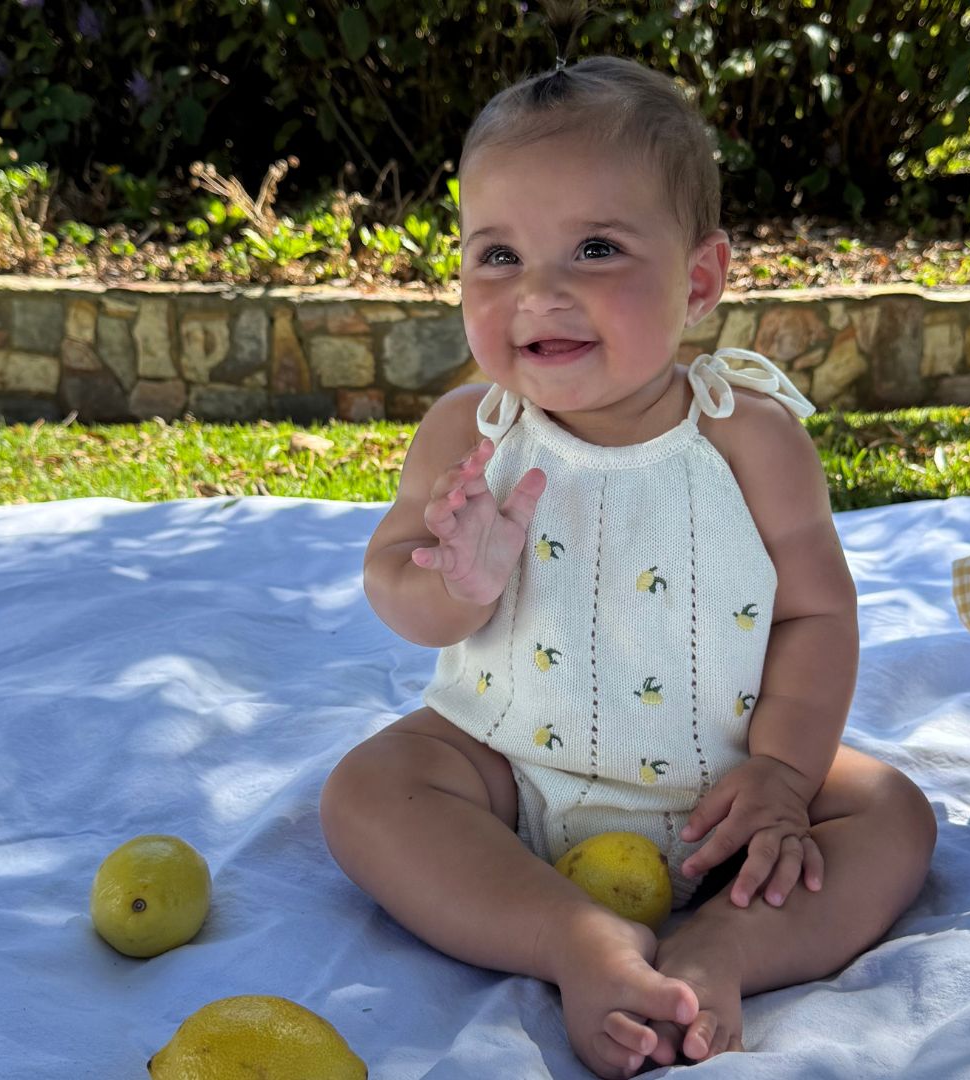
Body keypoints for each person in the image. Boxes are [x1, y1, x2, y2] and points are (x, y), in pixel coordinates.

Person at [320, 54, 936, 1079]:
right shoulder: (470, 432)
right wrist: (453, 584)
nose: (539, 292)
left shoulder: (750, 438)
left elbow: (815, 616)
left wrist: (783, 777)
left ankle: (722, 950)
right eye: (499, 255)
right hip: (505, 772)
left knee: (889, 814)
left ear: (698, 281)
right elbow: (395, 584)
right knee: (369, 790)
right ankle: (573, 937)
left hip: (724, 793)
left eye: (596, 248)